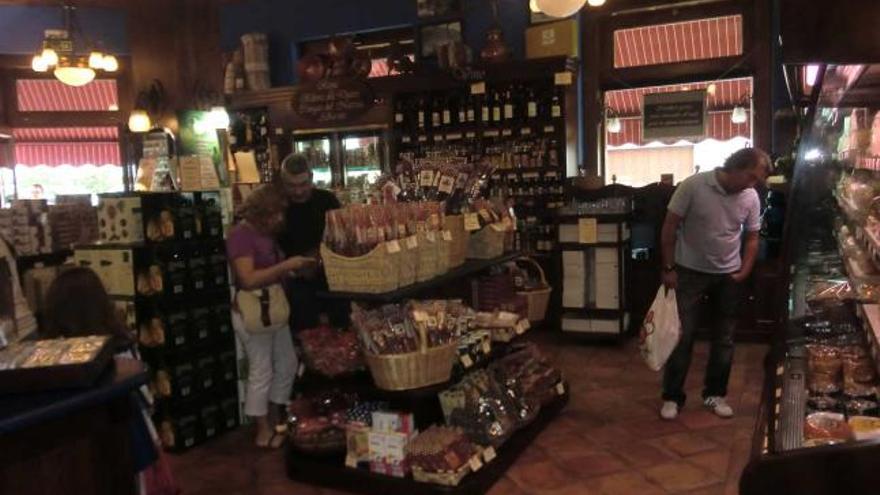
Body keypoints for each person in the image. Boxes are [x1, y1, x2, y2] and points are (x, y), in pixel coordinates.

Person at [42, 267, 177, 495]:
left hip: (80, 454)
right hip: (132, 444)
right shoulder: (121, 344)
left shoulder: (52, 357)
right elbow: (146, 399)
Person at [659, 148, 770, 420]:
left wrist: (744, 270)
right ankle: (672, 397)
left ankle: (715, 394)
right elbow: (669, 226)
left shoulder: (750, 196)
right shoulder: (694, 186)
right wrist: (669, 267)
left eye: (757, 180)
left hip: (729, 276)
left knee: (725, 339)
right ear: (736, 166)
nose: (752, 184)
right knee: (682, 338)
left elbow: (753, 237)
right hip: (689, 273)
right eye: (751, 176)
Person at [227, 185, 316, 448]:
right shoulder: (241, 236)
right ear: (263, 211)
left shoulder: (264, 234)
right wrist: (286, 266)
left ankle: (277, 417)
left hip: (273, 309)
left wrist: (293, 270)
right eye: (277, 212)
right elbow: (248, 279)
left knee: (287, 363)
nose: (281, 218)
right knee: (261, 368)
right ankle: (262, 429)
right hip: (254, 312)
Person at [275, 153, 344, 331]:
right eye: (292, 185)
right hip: (294, 285)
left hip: (332, 280)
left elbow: (342, 238)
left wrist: (318, 256)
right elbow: (270, 246)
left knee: (340, 334)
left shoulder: (327, 200)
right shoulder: (276, 205)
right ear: (283, 182)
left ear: (312, 177)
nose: (298, 191)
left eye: (303, 184)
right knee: (303, 336)